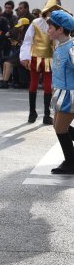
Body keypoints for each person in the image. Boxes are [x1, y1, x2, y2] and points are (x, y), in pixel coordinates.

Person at [20, 0, 64, 124]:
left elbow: (59, 42)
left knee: (48, 87)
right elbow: (28, 41)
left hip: (50, 58)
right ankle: (32, 113)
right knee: (33, 84)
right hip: (35, 58)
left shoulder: (57, 25)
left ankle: (46, 114)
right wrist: (25, 57)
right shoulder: (36, 22)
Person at [46, 10, 74, 174]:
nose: (48, 30)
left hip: (70, 94)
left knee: (60, 129)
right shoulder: (61, 46)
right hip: (61, 92)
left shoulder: (71, 48)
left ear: (60, 30)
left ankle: (70, 163)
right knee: (58, 126)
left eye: (50, 27)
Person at [0, 18, 29, 89]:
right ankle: (5, 81)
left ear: (25, 26)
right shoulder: (21, 33)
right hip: (20, 52)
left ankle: (5, 82)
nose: (19, 28)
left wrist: (16, 44)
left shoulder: (27, 35)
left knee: (8, 63)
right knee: (5, 62)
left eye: (21, 26)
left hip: (24, 54)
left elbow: (25, 46)